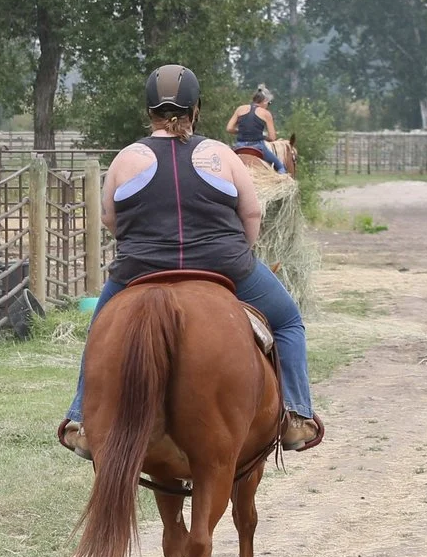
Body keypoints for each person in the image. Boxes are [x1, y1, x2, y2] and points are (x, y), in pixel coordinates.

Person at [58, 65, 324, 457]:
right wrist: (241, 253)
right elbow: (251, 215)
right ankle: (296, 415)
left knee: (100, 329)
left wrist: (143, 249)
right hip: (223, 264)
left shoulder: (126, 158)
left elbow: (111, 219)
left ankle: (81, 418)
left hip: (140, 268)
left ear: (149, 111)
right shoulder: (220, 154)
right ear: (195, 109)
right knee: (287, 320)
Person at [228, 85, 285, 172]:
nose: (268, 106)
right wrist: (264, 137)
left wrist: (241, 132)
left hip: (240, 145)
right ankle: (282, 181)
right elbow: (273, 137)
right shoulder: (266, 113)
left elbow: (229, 128)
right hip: (258, 146)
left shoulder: (240, 109)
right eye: (269, 103)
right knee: (280, 166)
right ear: (265, 101)